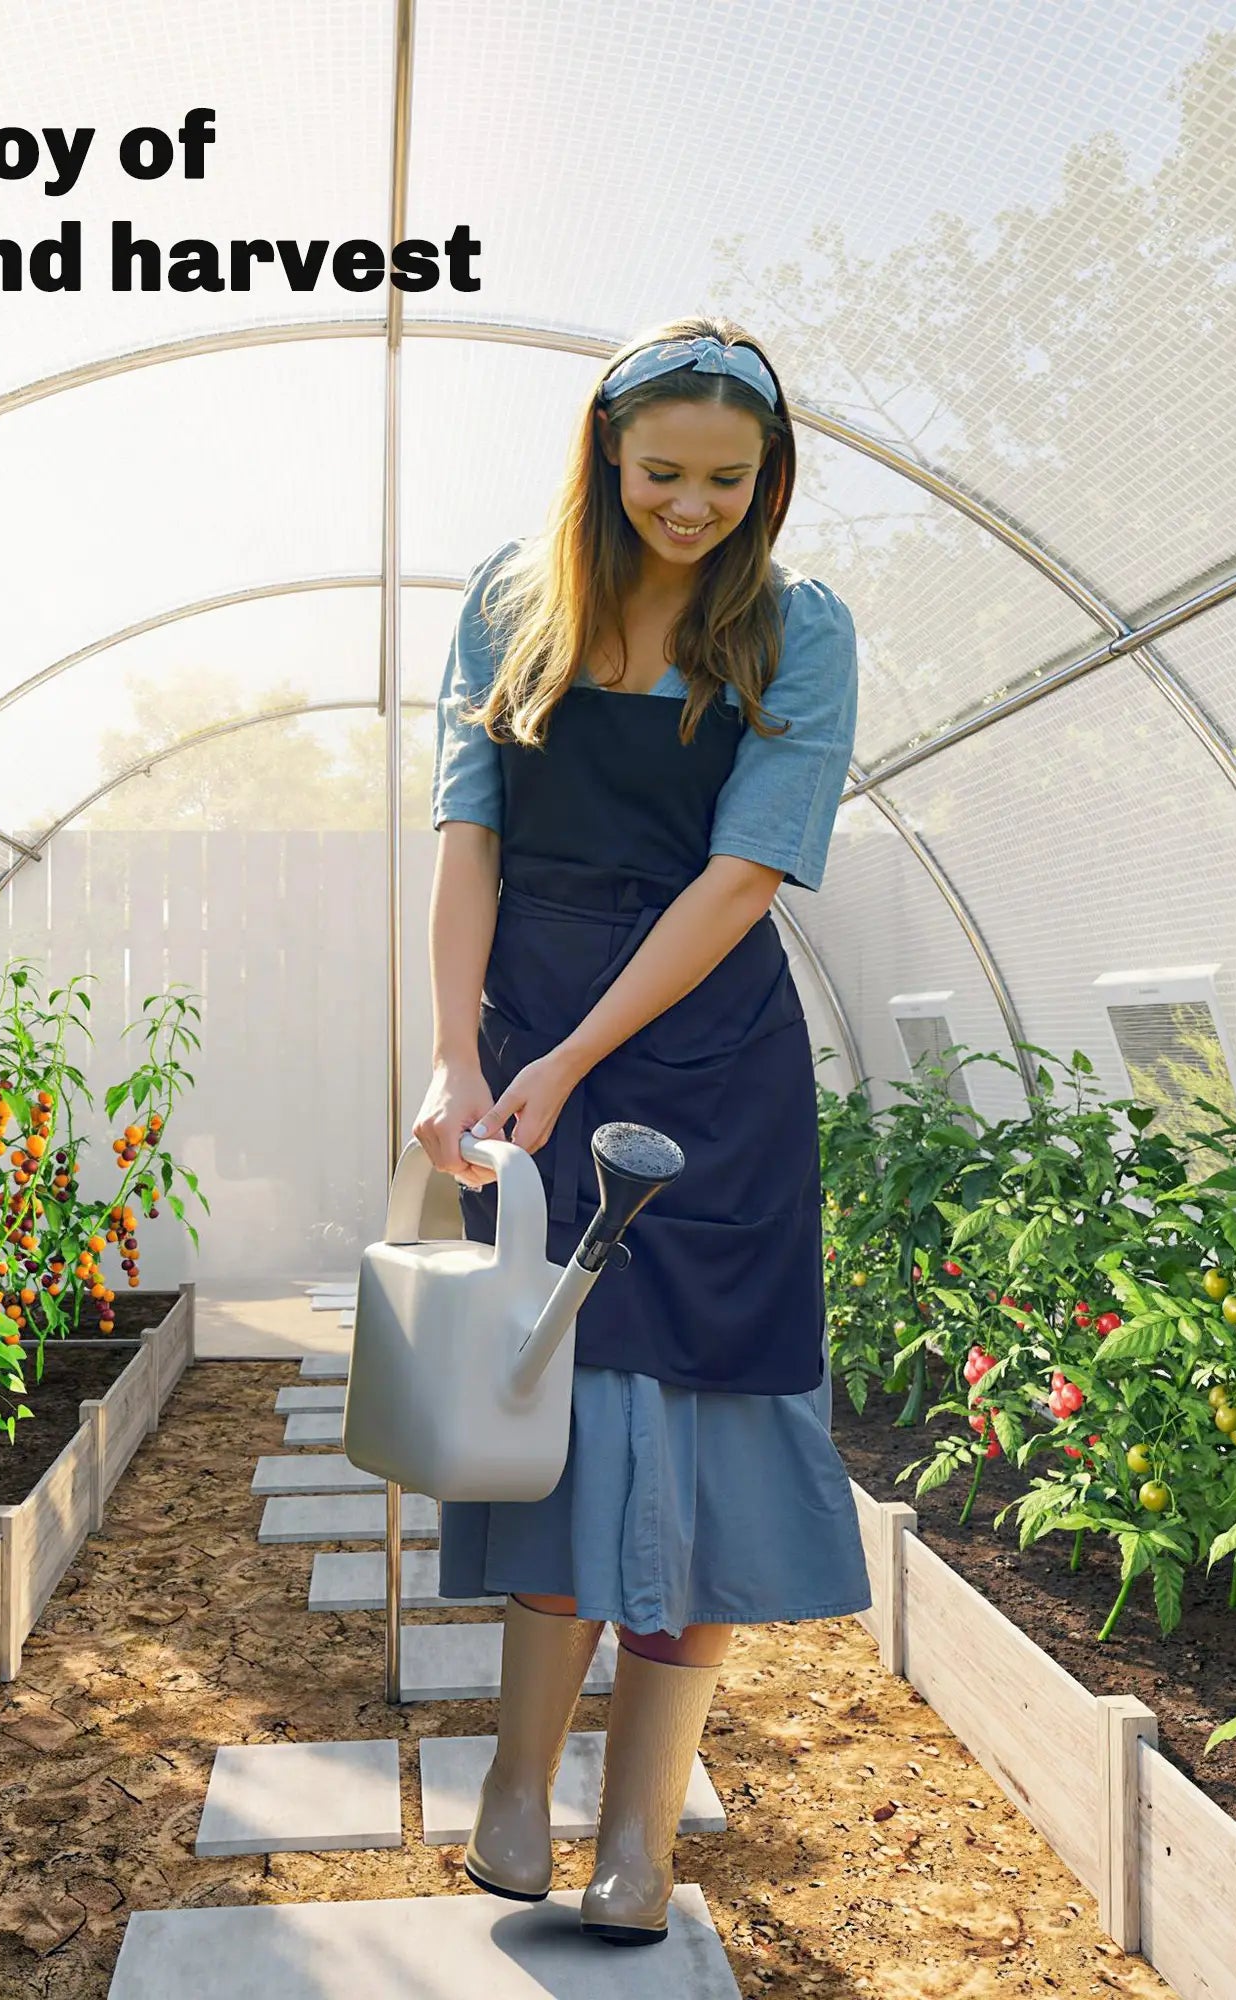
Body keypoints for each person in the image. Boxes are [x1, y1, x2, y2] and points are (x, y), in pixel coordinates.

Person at [414, 313, 874, 1946]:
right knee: (549, 1411)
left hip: (707, 1058)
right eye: (664, 472)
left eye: (728, 480)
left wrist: (575, 1053)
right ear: (606, 459)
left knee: (706, 1444)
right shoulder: (511, 601)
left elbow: (740, 878)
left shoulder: (798, 632)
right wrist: (463, 1055)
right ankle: (514, 1795)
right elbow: (467, 837)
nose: (693, 505)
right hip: (529, 1020)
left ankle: (641, 1837)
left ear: (770, 479)